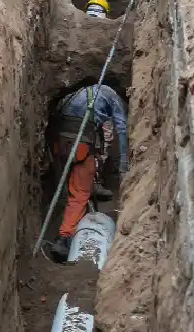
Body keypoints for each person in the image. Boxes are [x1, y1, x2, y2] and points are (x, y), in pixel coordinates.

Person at [46, 81, 128, 262]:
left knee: (69, 183)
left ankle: (87, 193)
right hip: (80, 145)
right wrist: (124, 165)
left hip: (59, 143)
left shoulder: (76, 94)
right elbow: (121, 129)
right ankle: (64, 237)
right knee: (79, 193)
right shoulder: (113, 97)